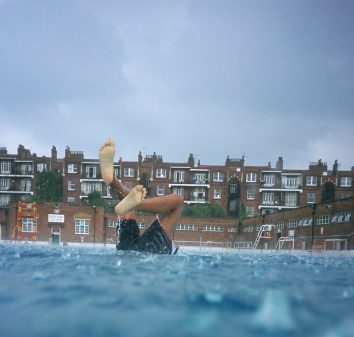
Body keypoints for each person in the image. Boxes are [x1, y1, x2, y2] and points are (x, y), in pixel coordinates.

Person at [99, 138, 184, 254]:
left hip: (129, 249)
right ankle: (130, 199)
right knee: (177, 203)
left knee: (177, 201)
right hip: (148, 252)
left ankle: (112, 180)